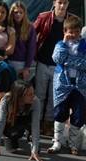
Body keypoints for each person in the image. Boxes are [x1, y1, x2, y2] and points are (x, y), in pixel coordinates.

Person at [33, 0, 75, 136]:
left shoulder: (73, 20)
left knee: (53, 97)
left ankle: (48, 124)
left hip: (60, 66)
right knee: (39, 95)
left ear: (68, 4)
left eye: (65, 3)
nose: (62, 6)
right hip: (43, 62)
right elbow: (32, 35)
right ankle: (36, 122)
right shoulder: (43, 17)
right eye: (60, 2)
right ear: (54, 2)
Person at [47, 16, 86, 155]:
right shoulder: (60, 44)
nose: (73, 34)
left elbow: (84, 63)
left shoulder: (84, 44)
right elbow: (57, 58)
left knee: (79, 114)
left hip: (80, 86)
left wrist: (67, 62)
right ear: (65, 31)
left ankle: (73, 144)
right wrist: (64, 42)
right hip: (62, 84)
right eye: (70, 31)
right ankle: (57, 142)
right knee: (60, 111)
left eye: (76, 31)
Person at [0, 80, 43, 161]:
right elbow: (1, 122)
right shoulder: (6, 100)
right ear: (20, 96)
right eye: (29, 94)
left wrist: (34, 150)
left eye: (33, 93)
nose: (33, 96)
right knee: (12, 149)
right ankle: (11, 137)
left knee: (37, 149)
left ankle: (30, 138)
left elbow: (35, 125)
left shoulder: (35, 101)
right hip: (11, 123)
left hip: (26, 122)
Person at [7, 1, 36, 81]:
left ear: (24, 14)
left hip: (22, 64)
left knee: (20, 90)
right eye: (16, 12)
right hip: (6, 61)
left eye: (21, 12)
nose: (18, 14)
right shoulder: (7, 24)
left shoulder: (30, 27)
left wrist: (27, 67)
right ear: (11, 13)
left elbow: (32, 49)